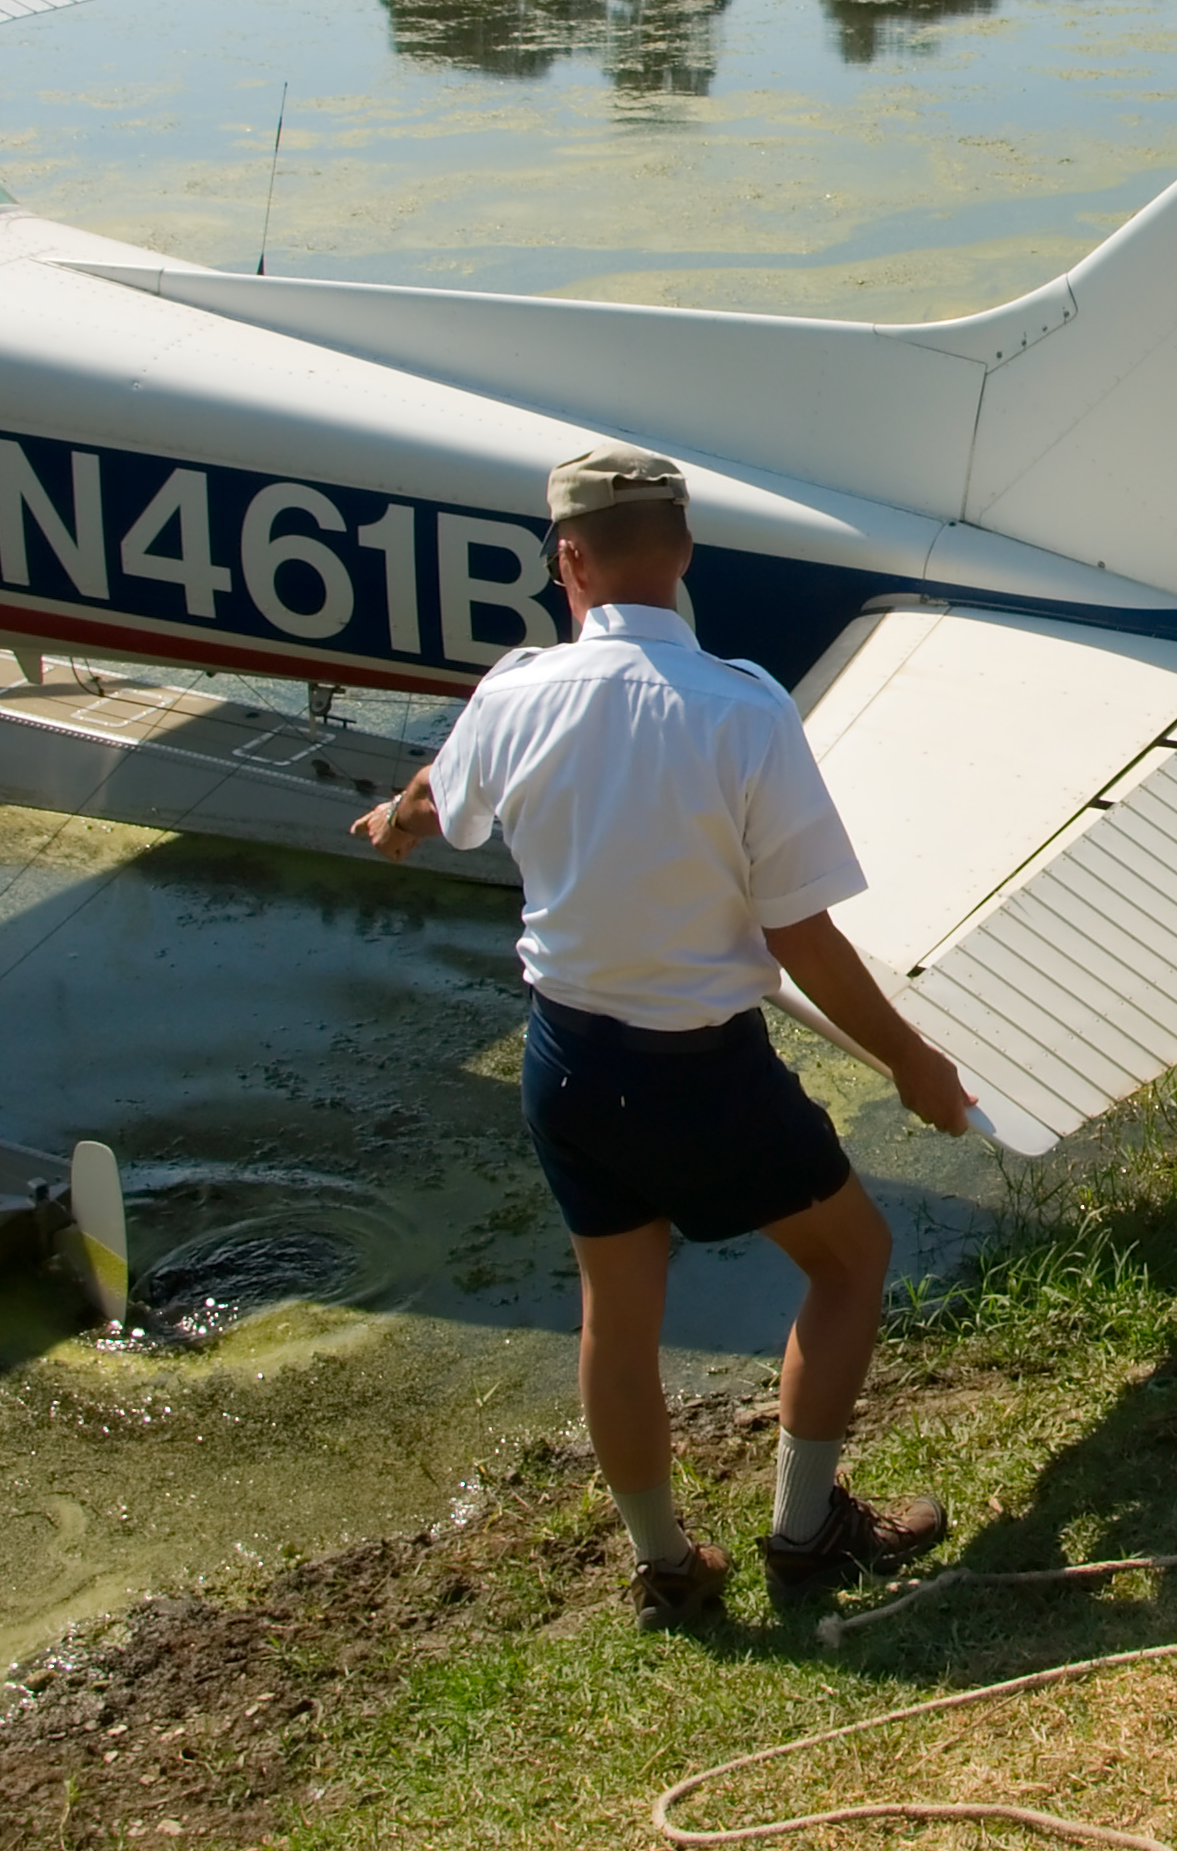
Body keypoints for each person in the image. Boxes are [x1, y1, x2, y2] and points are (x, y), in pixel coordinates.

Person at [357, 443, 975, 1629]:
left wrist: (395, 816)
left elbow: (440, 796)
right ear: (684, 551)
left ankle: (665, 1567)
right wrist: (909, 1060)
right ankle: (804, 1531)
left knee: (619, 1315)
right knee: (849, 1260)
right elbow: (798, 932)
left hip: (566, 1065)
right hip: (702, 1073)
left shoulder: (513, 692)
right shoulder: (743, 708)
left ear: (567, 560)